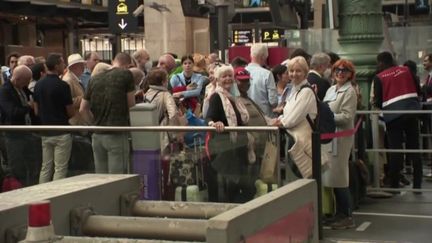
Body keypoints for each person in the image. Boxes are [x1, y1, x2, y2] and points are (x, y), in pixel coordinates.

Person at [372, 51, 422, 192]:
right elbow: (418, 89)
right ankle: (417, 185)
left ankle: (394, 185)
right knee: (415, 147)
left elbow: (378, 100)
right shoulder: (406, 70)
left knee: (395, 150)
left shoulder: (379, 77)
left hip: (393, 116)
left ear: (380, 62)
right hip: (412, 112)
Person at [79, 52, 135, 174]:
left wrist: (93, 125)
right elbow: (131, 104)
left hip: (97, 135)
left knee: (101, 178)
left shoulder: (94, 79)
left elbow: (82, 109)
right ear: (127, 65)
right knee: (116, 177)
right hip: (117, 133)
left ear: (114, 60)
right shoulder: (126, 74)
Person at [205, 65, 250, 203]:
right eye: (224, 76)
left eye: (230, 76)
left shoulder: (234, 98)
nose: (228, 79)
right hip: (224, 148)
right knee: (228, 182)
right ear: (218, 80)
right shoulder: (216, 97)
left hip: (237, 146)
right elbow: (209, 117)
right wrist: (215, 124)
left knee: (237, 182)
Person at [322, 59, 358, 229]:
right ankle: (339, 214)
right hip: (329, 138)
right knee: (333, 177)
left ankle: (347, 215)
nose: (340, 73)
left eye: (344, 70)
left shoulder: (349, 92)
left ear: (350, 74)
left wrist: (328, 117)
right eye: (337, 69)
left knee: (340, 177)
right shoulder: (331, 89)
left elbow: (347, 117)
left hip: (340, 140)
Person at [272, 56, 319, 179]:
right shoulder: (295, 90)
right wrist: (281, 118)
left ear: (305, 72)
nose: (294, 74)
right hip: (294, 143)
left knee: (303, 182)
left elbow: (292, 119)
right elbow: (288, 114)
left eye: (298, 71)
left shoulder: (306, 92)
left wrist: (280, 121)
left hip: (302, 146)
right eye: (291, 71)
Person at [33, 53, 74, 183]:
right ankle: (56, 196)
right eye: (62, 63)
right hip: (61, 131)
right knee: (60, 168)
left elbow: (36, 110)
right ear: (56, 66)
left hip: (45, 131)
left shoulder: (38, 85)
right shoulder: (63, 86)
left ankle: (42, 194)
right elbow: (70, 112)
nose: (64, 65)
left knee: (45, 167)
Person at [0, 65, 40, 186]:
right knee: (17, 167)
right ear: (18, 79)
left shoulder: (22, 89)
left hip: (27, 133)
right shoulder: (5, 91)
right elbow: (11, 112)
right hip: (13, 136)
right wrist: (28, 106)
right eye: (26, 81)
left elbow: (33, 96)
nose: (28, 84)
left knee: (33, 164)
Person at [143, 68, 184, 152]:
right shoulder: (166, 95)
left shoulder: (146, 93)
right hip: (163, 133)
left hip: (148, 133)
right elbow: (173, 114)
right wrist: (177, 133)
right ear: (163, 82)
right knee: (164, 161)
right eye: (167, 79)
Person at [246, 44, 278, 118]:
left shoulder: (242, 72)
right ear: (263, 57)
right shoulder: (267, 74)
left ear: (251, 55)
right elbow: (273, 102)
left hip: (246, 117)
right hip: (264, 117)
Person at [63, 54, 87, 126]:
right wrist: (86, 97)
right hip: (75, 122)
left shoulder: (75, 78)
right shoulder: (68, 80)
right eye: (81, 65)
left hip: (79, 121)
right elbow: (69, 102)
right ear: (74, 66)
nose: (84, 67)